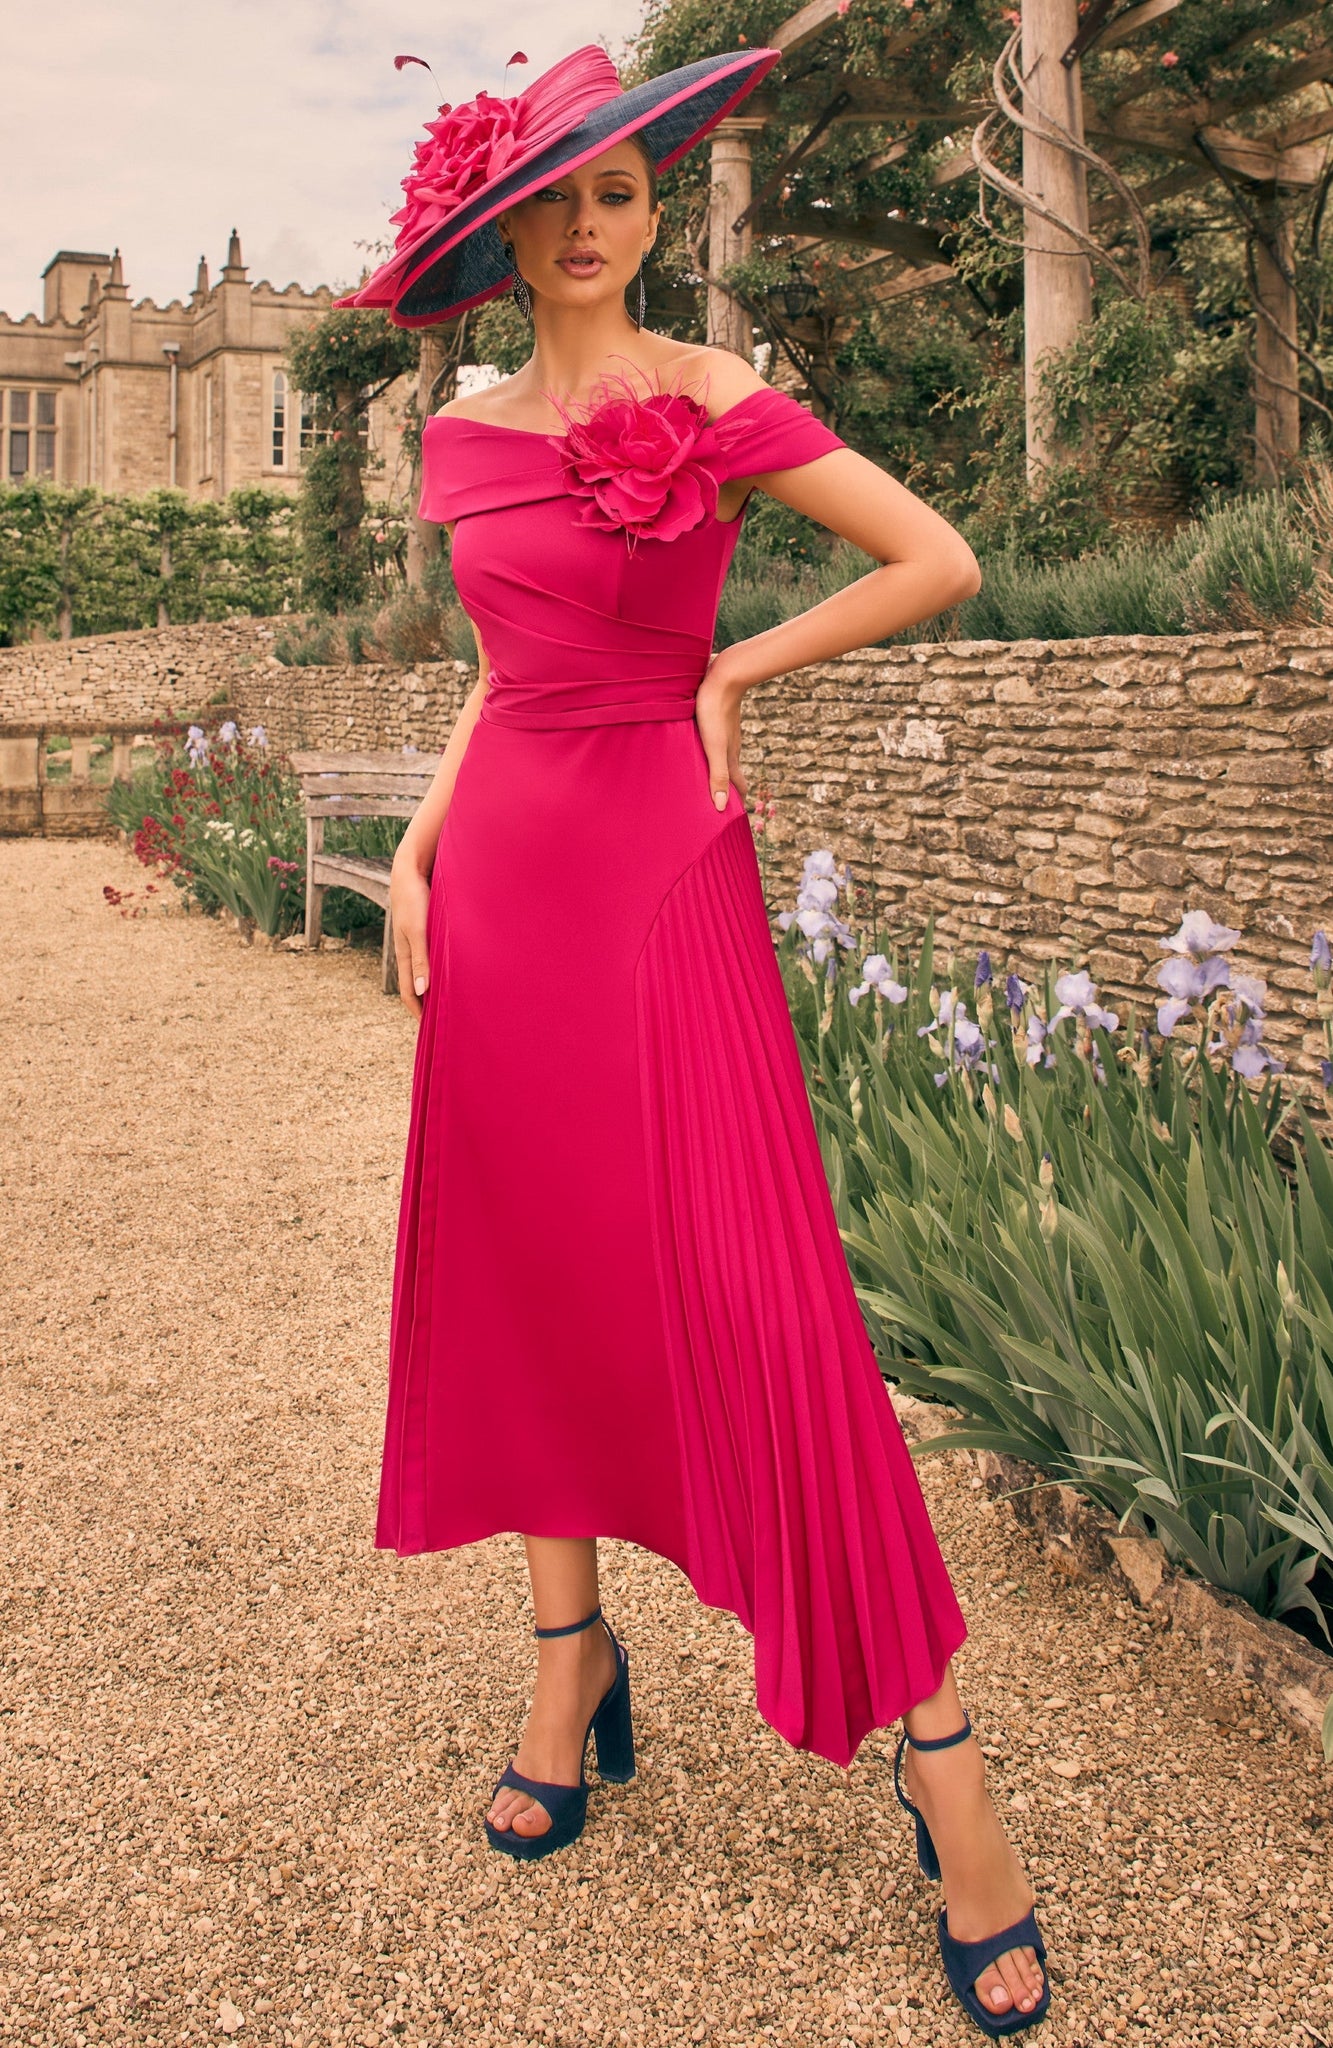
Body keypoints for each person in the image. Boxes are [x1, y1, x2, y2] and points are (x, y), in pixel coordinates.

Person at [335, 41, 1051, 2039]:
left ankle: (947, 1769)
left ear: (651, 214)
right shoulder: (462, 434)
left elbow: (936, 558)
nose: (587, 225)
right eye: (552, 200)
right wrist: (415, 839)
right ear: (500, 234)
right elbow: (506, 671)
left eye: (621, 192)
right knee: (539, 1273)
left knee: (765, 1300)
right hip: (503, 889)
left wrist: (736, 654)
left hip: (659, 874)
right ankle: (570, 1658)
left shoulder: (718, 400)